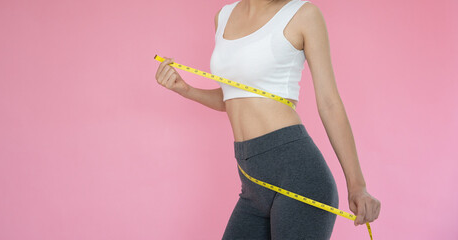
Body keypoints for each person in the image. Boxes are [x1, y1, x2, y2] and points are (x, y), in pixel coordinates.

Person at [154, 0, 381, 239]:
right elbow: (233, 97)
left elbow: (329, 103)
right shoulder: (223, 17)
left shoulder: (303, 14)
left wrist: (357, 186)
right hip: (251, 181)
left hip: (297, 174)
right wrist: (186, 89)